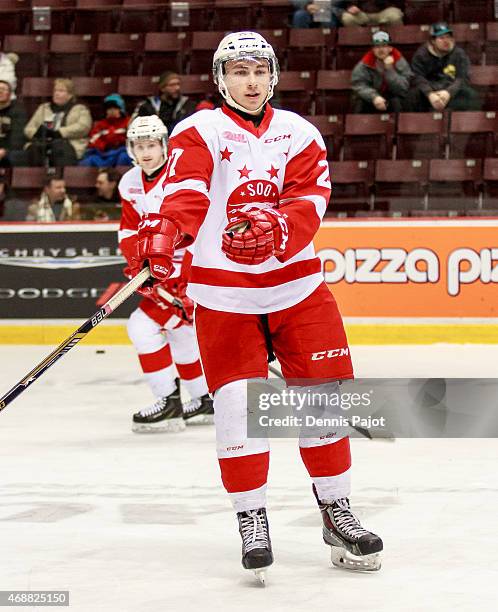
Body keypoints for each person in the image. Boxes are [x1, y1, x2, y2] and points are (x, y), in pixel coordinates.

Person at [131, 31, 383, 581]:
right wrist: (168, 231)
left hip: (298, 290)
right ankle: (252, 517)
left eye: (259, 71)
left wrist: (281, 227)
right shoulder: (197, 131)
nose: (250, 81)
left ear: (273, 76)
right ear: (221, 78)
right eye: (238, 71)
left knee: (322, 404)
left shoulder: (299, 132)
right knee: (237, 408)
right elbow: (188, 191)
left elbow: (311, 199)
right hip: (225, 297)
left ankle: (336, 512)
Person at [118, 115, 213, 433]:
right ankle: (203, 400)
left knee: (141, 327)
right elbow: (129, 230)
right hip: (156, 272)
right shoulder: (129, 182)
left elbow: (198, 229)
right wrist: (139, 269)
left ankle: (169, 403)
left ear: (164, 146)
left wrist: (186, 284)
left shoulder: (179, 176)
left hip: (189, 268)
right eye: (139, 146)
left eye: (151, 145)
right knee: (181, 333)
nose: (146, 152)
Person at [410, 22, 481, 112]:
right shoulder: (421, 55)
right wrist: (429, 94)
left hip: (451, 91)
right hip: (429, 93)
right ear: (433, 41)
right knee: (412, 96)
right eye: (441, 38)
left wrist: (448, 92)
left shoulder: (459, 54)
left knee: (471, 95)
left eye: (448, 37)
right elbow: (417, 77)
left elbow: (463, 78)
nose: (446, 41)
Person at [24, 78, 92, 167]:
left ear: (70, 95)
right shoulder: (44, 108)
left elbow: (83, 127)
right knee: (33, 149)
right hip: (43, 142)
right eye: (55, 90)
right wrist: (39, 133)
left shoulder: (80, 109)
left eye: (61, 91)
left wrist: (59, 132)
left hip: (70, 144)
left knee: (59, 147)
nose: (56, 93)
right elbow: (28, 128)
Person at [351, 31, 412, 113]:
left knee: (401, 100)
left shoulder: (399, 61)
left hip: (392, 96)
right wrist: (374, 97)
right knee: (359, 101)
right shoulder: (365, 64)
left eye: (384, 46)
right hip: (373, 98)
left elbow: (403, 88)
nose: (381, 50)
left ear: (390, 48)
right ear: (373, 49)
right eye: (377, 46)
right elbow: (359, 85)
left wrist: (389, 70)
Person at [132, 71, 198, 134]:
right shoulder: (148, 106)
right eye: (172, 85)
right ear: (162, 88)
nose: (177, 88)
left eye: (178, 84)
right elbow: (133, 126)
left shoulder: (187, 104)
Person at [80, 94, 132, 167]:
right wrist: (104, 146)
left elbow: (132, 141)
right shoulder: (100, 124)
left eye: (115, 108)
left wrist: (117, 141)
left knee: (123, 157)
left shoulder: (128, 122)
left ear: (121, 109)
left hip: (121, 151)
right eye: (109, 108)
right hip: (103, 153)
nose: (111, 111)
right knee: (88, 160)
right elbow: (93, 141)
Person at [0, 79, 26, 167]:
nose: (0, 92)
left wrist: (4, 150)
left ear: (10, 94)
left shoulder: (18, 111)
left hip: (9, 149)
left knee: (15, 156)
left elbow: (17, 137)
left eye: (3, 89)